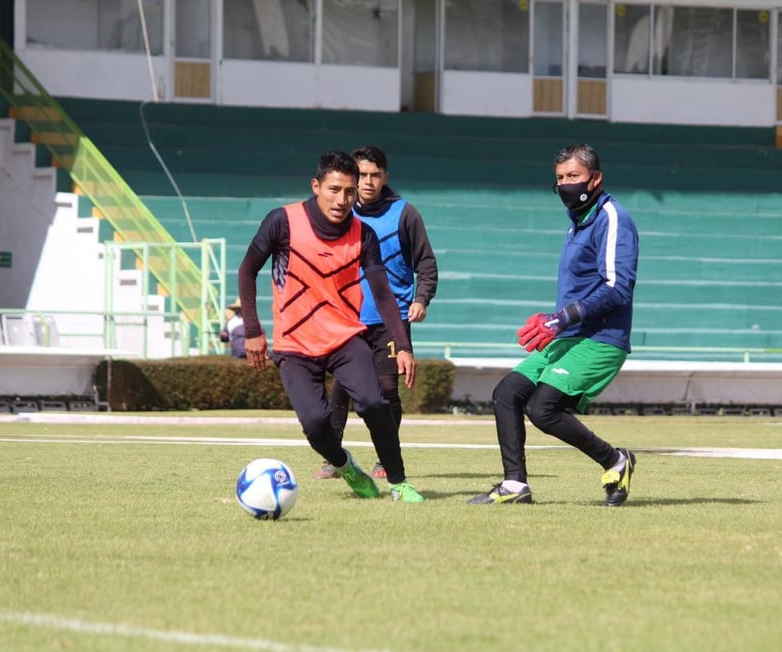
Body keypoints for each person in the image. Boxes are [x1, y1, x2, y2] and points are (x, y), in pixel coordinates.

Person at [236, 150, 425, 503]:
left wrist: (403, 345)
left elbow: (382, 292)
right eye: (334, 189)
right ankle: (346, 466)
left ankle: (398, 482)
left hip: (344, 338)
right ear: (316, 186)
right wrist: (252, 331)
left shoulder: (363, 234)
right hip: (294, 344)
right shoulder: (282, 221)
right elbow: (247, 270)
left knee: (374, 402)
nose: (342, 200)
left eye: (349, 192)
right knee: (317, 426)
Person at [468, 143, 639, 507]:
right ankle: (515, 485)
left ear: (595, 179)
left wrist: (561, 318)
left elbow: (617, 287)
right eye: (560, 178)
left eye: (573, 177)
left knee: (542, 409)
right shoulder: (577, 222)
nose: (566, 185)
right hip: (569, 336)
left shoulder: (612, 218)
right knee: (506, 394)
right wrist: (552, 318)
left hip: (601, 339)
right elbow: (583, 288)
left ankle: (614, 460)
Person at [317, 145, 439, 480]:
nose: (368, 182)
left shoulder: (405, 213)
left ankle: (386, 460)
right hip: (348, 317)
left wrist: (422, 299)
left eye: (374, 175)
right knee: (341, 386)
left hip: (391, 318)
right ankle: (333, 458)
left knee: (386, 391)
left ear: (385, 176)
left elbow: (426, 263)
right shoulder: (342, 212)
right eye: (362, 176)